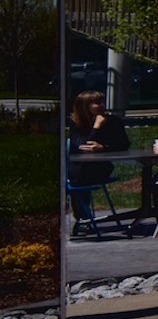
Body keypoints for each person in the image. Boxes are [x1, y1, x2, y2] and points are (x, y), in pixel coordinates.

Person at [67, 89, 128, 226]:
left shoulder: (113, 121)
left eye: (102, 102)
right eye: (96, 103)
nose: (101, 105)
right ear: (84, 106)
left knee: (77, 180)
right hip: (79, 168)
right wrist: (96, 127)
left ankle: (83, 218)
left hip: (100, 167)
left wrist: (103, 148)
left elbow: (124, 144)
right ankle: (83, 217)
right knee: (76, 177)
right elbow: (83, 146)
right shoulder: (76, 123)